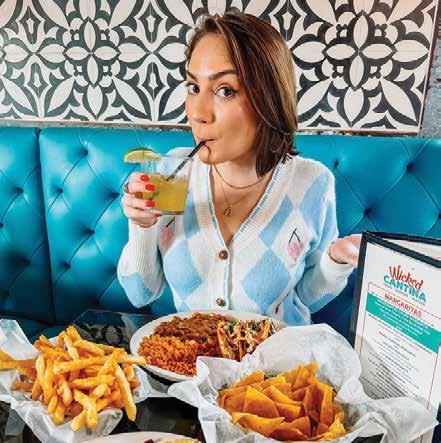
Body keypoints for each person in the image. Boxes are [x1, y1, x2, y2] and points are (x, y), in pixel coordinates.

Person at [117, 11, 361, 324]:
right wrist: (141, 226)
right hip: (190, 354)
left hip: (282, 353)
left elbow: (307, 298)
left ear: (269, 98)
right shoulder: (168, 173)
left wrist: (336, 260)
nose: (198, 113)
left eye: (225, 90)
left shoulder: (313, 183)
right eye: (193, 87)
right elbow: (140, 294)